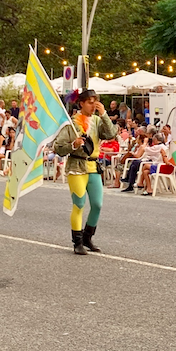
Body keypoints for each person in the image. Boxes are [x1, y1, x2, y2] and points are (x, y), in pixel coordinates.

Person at [54, 90, 117, 255]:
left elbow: (111, 134)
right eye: (90, 102)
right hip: (76, 167)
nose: (93, 106)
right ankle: (78, 242)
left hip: (93, 167)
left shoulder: (97, 120)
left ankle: (88, 237)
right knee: (79, 204)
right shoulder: (71, 123)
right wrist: (73, 145)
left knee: (97, 204)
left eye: (96, 102)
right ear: (81, 103)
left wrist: (104, 114)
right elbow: (58, 148)